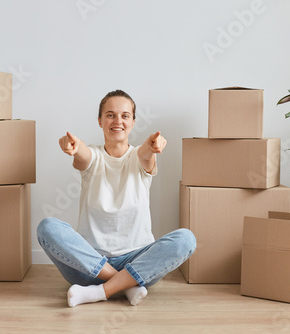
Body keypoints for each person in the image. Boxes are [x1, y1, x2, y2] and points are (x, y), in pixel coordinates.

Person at [37, 89, 196, 307]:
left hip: (138, 262)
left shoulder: (139, 155)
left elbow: (145, 155)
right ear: (100, 121)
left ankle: (100, 292)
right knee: (47, 227)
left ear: (133, 121)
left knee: (186, 239)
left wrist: (152, 147)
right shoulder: (93, 157)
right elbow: (83, 153)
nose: (117, 121)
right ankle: (125, 286)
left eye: (125, 115)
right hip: (90, 265)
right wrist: (73, 146)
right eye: (110, 115)